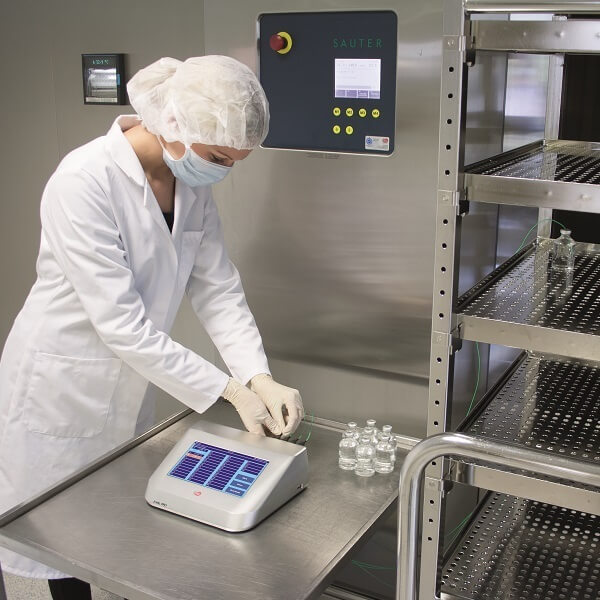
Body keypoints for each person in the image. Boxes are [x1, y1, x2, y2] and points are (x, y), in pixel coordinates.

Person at [0, 55, 304, 599]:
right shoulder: (83, 180)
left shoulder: (189, 183)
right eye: (219, 158)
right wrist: (229, 390)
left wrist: (257, 376)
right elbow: (121, 325)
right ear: (174, 124)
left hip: (129, 378)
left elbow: (217, 287)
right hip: (62, 382)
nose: (224, 171)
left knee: (105, 527)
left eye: (234, 162)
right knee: (53, 534)